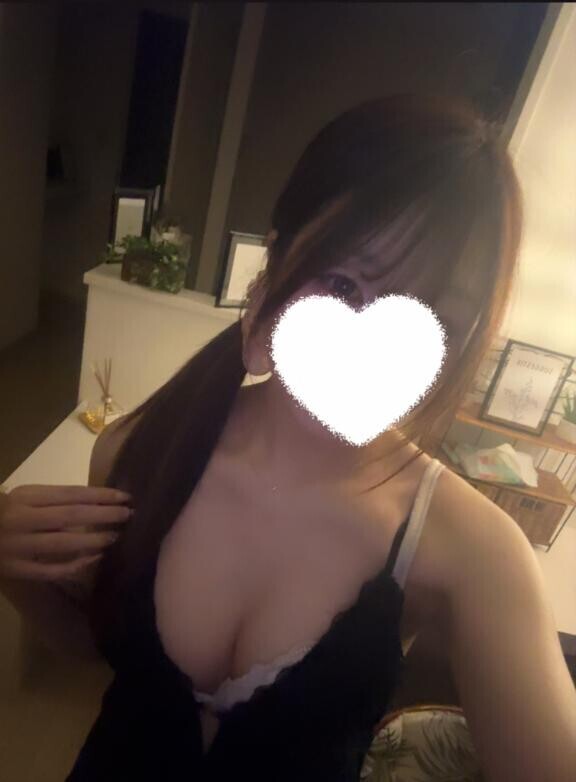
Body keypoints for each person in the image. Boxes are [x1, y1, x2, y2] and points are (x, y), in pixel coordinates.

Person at [1, 93, 575, 781]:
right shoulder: (138, 451)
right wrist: (14, 570)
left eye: (435, 322)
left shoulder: (473, 552)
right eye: (343, 283)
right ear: (274, 262)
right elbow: (97, 650)